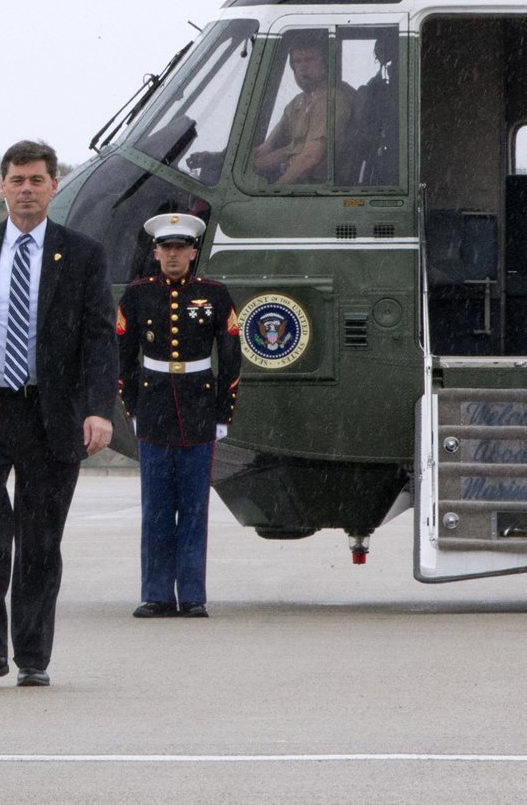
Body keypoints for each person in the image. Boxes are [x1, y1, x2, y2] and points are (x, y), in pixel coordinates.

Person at [0, 141, 117, 689]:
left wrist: (99, 410)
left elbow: (100, 339)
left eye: (37, 179)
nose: (27, 189)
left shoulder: (82, 254)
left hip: (51, 414)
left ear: (55, 186)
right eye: (17, 179)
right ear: (3, 186)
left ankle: (33, 655)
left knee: (39, 538)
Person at [116, 213, 240, 618]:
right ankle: (154, 594)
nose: (172, 255)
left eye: (180, 248)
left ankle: (191, 595)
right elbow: (123, 357)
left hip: (199, 407)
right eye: (165, 248)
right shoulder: (137, 295)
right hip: (153, 408)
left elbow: (232, 356)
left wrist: (224, 411)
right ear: (156, 252)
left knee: (193, 508)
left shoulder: (216, 294)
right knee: (155, 508)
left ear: (192, 251)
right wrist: (132, 407)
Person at [252, 31, 355, 185]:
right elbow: (269, 148)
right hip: (294, 179)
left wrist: (275, 191)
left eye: (310, 59)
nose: (302, 67)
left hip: (315, 187)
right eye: (297, 61)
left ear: (325, 63)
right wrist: (222, 161)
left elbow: (310, 158)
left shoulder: (332, 100)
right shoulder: (296, 104)